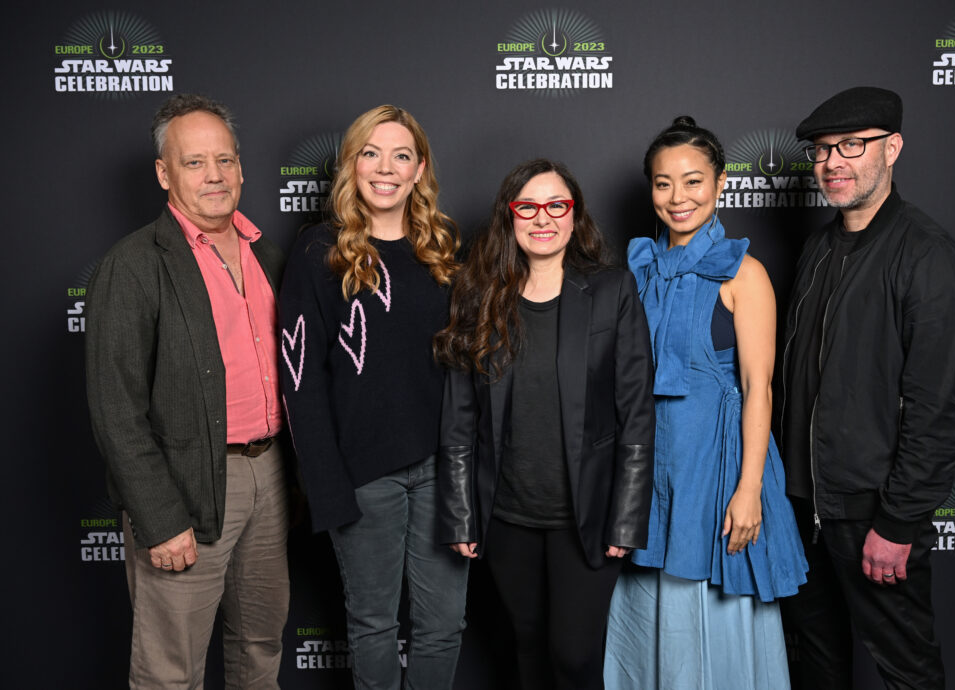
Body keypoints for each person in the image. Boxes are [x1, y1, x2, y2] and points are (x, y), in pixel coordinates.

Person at [85, 93, 290, 689]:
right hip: (184, 485)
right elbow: (114, 409)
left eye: (224, 160)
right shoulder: (134, 265)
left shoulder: (267, 255)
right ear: (164, 173)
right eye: (195, 163)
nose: (214, 176)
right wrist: (158, 517)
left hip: (268, 474)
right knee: (170, 671)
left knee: (260, 645)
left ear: (242, 169)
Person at [779, 86, 955, 689]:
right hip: (802, 506)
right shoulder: (817, 247)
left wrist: (897, 523)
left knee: (906, 672)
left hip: (873, 513)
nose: (832, 162)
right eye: (821, 150)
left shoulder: (927, 256)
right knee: (818, 666)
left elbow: (935, 410)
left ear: (892, 149)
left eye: (851, 146)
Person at [435, 158, 655, 690]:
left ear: (574, 215)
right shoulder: (480, 294)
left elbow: (636, 416)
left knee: (575, 658)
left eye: (556, 205)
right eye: (527, 206)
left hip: (589, 518)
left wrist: (626, 521)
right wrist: (461, 515)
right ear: (509, 216)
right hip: (507, 517)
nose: (543, 218)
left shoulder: (611, 291)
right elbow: (459, 418)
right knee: (527, 653)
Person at [603, 117, 808, 690]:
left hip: (718, 465)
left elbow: (758, 386)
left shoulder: (745, 274)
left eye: (693, 181)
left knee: (718, 611)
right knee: (650, 605)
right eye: (663, 183)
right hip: (651, 464)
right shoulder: (637, 272)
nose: (678, 197)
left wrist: (748, 490)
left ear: (720, 184)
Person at [278, 105, 467, 690]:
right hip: (362, 475)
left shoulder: (443, 251)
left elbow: (467, 372)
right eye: (371, 153)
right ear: (351, 165)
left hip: (440, 467)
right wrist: (327, 486)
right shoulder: (319, 252)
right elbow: (299, 378)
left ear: (419, 170)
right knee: (374, 626)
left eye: (401, 155)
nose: (385, 168)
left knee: (443, 625)